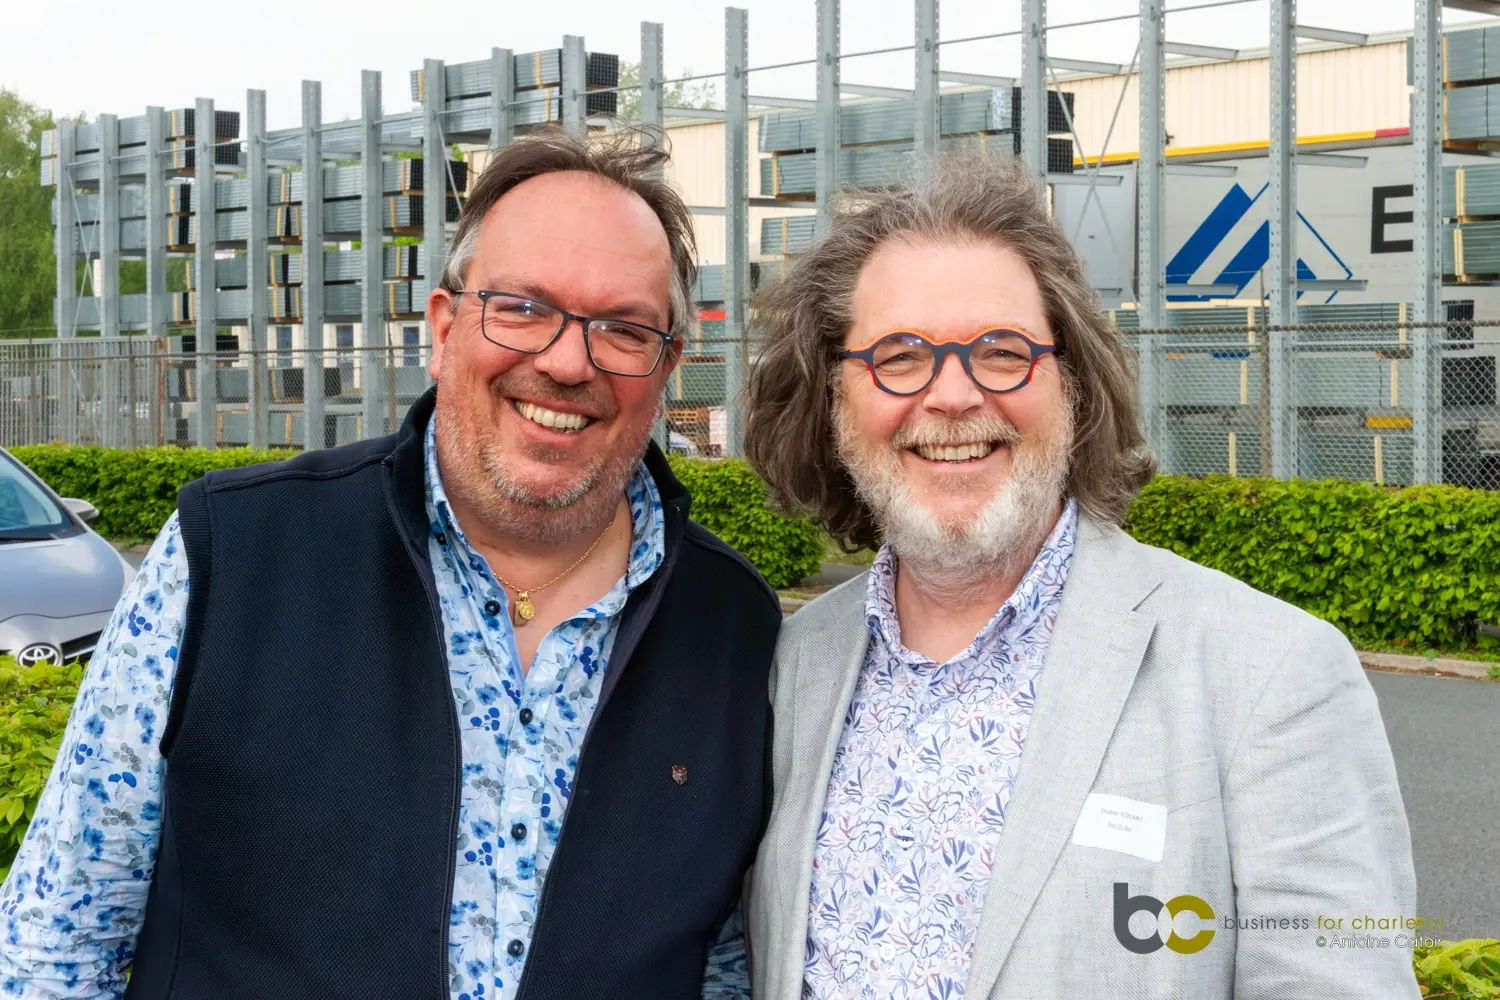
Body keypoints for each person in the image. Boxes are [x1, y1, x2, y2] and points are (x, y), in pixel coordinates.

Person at [0, 126, 778, 1000]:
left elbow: (722, 966)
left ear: (667, 366)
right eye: (523, 307)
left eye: (624, 329)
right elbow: (53, 945)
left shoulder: (736, 627)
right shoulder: (230, 557)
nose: (568, 361)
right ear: (443, 330)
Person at [739, 151, 1419, 999]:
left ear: (1074, 384)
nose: (952, 396)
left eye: (1001, 351)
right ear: (831, 398)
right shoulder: (791, 669)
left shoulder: (1274, 675)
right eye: (900, 356)